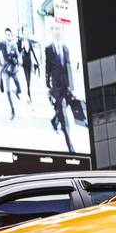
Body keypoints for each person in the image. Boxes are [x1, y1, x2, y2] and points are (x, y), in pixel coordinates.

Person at [44, 20, 76, 153]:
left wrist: (72, 87)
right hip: (56, 87)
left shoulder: (66, 49)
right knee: (63, 115)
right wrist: (47, 86)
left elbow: (68, 68)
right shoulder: (49, 49)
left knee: (63, 108)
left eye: (59, 29)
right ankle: (70, 146)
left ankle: (53, 121)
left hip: (66, 87)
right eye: (54, 29)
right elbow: (47, 68)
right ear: (51, 32)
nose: (57, 32)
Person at [0, 27, 22, 119]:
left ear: (11, 36)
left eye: (9, 35)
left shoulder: (14, 45)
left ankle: (17, 92)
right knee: (7, 91)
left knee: (19, 87)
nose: (8, 36)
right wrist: (0, 65)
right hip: (5, 69)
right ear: (5, 35)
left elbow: (18, 55)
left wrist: (19, 62)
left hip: (13, 69)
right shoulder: (2, 43)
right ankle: (12, 110)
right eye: (6, 34)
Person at [19, 36, 37, 102]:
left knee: (29, 80)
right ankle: (28, 94)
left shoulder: (30, 43)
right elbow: (19, 51)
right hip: (24, 64)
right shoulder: (21, 42)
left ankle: (28, 92)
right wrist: (22, 46)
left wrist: (36, 62)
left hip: (29, 63)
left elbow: (33, 53)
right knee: (27, 80)